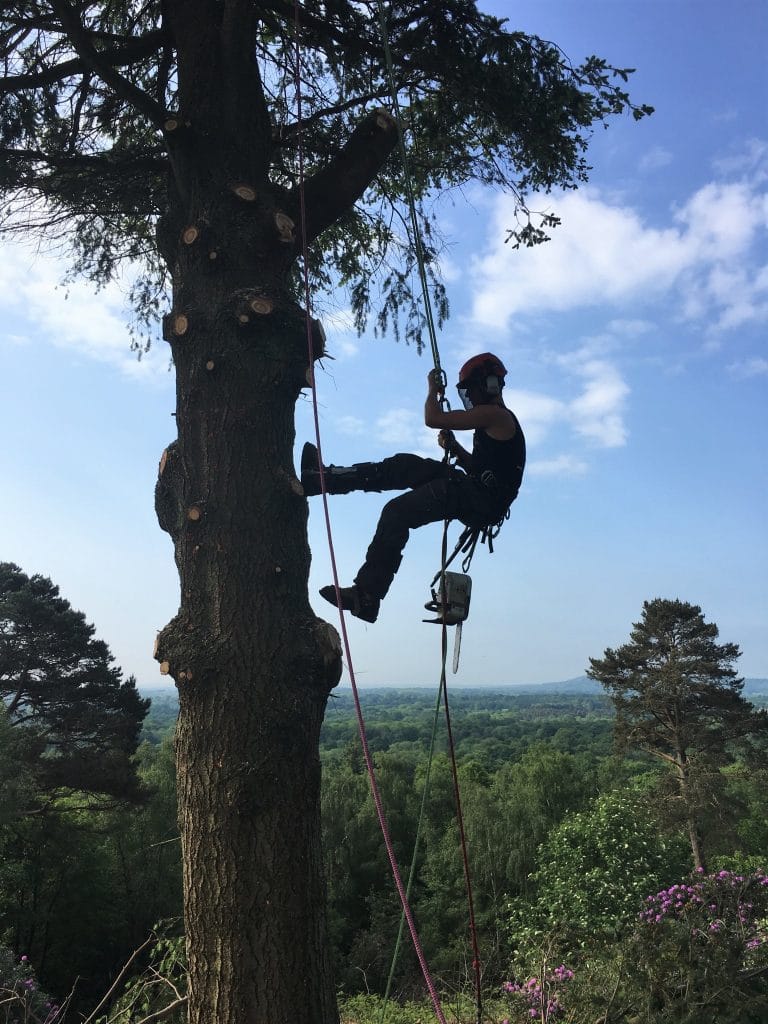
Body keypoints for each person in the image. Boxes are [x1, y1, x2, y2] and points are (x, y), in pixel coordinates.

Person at [301, 352, 525, 622]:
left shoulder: (494, 415)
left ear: (487, 385)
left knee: (397, 513)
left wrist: (432, 390)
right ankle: (325, 479)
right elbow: (480, 469)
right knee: (404, 466)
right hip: (475, 492)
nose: (470, 398)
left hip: (477, 499)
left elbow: (433, 418)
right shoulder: (493, 420)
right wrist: (455, 449)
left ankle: (367, 596)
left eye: (470, 390)